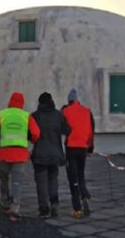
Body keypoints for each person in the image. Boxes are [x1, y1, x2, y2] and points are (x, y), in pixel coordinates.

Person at [0, 92, 40, 221]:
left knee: (3, 178)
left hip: (5, 154)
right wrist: (33, 141)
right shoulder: (26, 116)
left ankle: (4, 202)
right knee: (16, 182)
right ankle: (15, 209)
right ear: (22, 103)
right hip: (21, 155)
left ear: (10, 101)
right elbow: (36, 133)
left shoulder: (2, 114)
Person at [30, 92, 70, 219]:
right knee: (53, 179)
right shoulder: (58, 115)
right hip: (55, 154)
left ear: (40, 103)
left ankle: (43, 209)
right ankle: (54, 205)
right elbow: (67, 130)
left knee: (41, 182)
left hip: (40, 155)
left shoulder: (35, 116)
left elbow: (29, 134)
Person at [61, 88, 95, 218]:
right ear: (77, 100)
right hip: (83, 147)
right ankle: (84, 195)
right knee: (81, 174)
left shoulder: (65, 111)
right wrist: (90, 148)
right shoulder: (87, 111)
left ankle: (77, 208)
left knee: (72, 177)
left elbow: (63, 129)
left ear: (69, 101)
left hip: (70, 147)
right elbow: (91, 131)